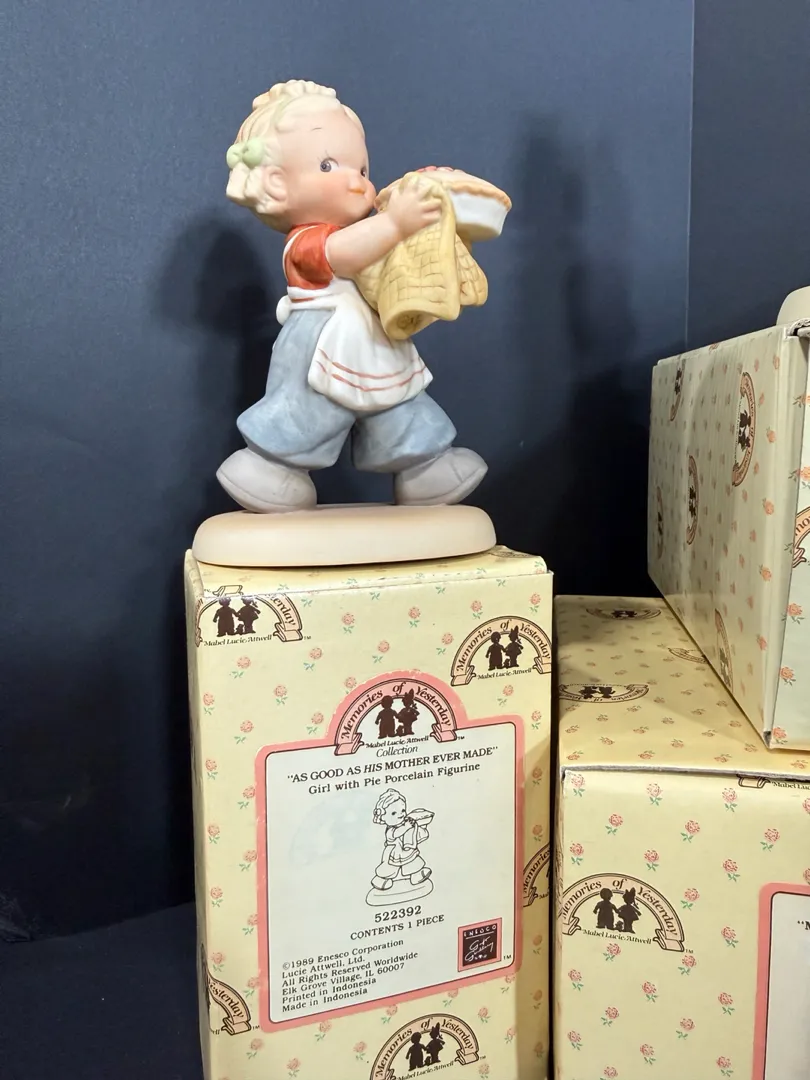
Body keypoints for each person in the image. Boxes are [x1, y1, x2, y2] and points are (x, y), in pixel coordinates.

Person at [217, 80, 487, 512]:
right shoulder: (304, 241)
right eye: (329, 166)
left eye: (362, 170)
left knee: (400, 403)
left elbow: (386, 253)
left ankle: (424, 468)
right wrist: (394, 224)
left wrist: (425, 205)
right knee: (308, 412)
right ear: (277, 184)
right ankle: (271, 468)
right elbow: (341, 254)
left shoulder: (369, 229)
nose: (357, 182)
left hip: (374, 342)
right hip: (320, 348)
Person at [371, 790, 433, 891]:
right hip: (394, 852)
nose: (401, 814)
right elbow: (397, 833)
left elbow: (413, 833)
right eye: (393, 813)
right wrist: (407, 827)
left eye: (403, 810)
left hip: (407, 850)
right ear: (383, 817)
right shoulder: (390, 830)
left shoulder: (406, 823)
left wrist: (420, 827)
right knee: (390, 868)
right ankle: (381, 880)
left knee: (412, 862)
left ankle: (417, 875)